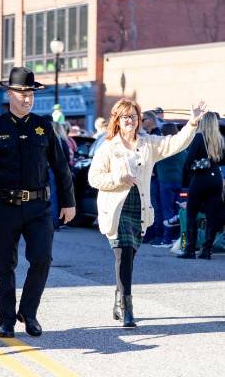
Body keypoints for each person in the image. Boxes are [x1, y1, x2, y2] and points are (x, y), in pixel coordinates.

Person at [0, 67, 75, 338]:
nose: (27, 98)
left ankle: (28, 312)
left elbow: (61, 168)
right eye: (21, 93)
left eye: (31, 93)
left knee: (41, 259)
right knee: (4, 264)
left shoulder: (44, 127)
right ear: (10, 94)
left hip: (38, 207)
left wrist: (69, 202)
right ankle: (6, 319)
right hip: (4, 207)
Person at [88, 99, 205, 328]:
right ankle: (128, 308)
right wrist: (118, 179)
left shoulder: (148, 143)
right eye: (125, 117)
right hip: (116, 208)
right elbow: (94, 178)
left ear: (139, 119)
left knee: (129, 257)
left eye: (133, 116)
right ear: (117, 121)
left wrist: (192, 122)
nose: (129, 120)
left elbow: (175, 144)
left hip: (139, 208)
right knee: (122, 255)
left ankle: (119, 296)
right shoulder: (108, 147)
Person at [178, 112, 225, 259]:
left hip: (200, 179)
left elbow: (189, 160)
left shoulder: (199, 137)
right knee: (212, 215)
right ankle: (207, 250)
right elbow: (222, 161)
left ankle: (190, 249)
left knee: (191, 214)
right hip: (216, 178)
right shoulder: (220, 139)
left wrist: (191, 170)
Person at [155, 123, 186, 247]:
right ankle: (175, 237)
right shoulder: (181, 147)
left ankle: (166, 239)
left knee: (167, 210)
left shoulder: (162, 148)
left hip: (165, 181)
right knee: (178, 210)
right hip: (179, 181)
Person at [141, 110, 163, 244]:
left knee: (154, 207)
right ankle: (150, 233)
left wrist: (153, 170)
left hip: (154, 177)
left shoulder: (155, 136)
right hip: (150, 176)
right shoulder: (152, 135)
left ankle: (156, 234)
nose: (141, 123)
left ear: (149, 120)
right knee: (149, 206)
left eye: (143, 120)